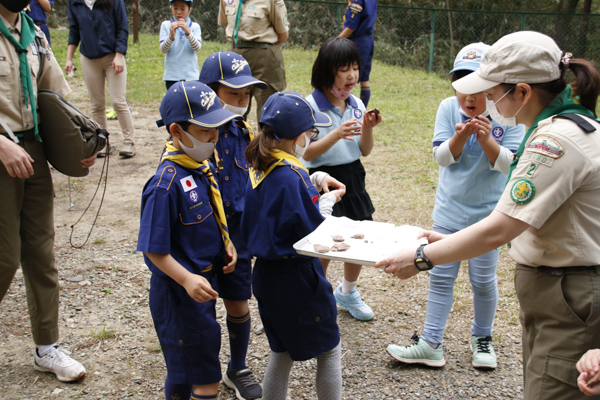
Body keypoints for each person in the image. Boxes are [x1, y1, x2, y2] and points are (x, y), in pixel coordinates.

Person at [376, 31, 600, 400]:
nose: (489, 102)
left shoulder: (555, 141)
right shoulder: (555, 129)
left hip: (568, 295)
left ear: (523, 92)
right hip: (558, 293)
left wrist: (421, 258)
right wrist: (448, 241)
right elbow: (531, 221)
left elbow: (501, 228)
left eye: (494, 94)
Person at [386, 43, 525, 370]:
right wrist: (461, 137)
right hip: (448, 215)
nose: (469, 96)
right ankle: (432, 342)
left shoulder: (509, 116)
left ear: (493, 88)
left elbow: (509, 165)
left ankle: (482, 339)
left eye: (478, 87)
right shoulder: (448, 108)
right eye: (462, 85)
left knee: (483, 281)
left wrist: (488, 139)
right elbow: (441, 157)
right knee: (441, 276)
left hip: (487, 219)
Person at [0, 1, 94, 382]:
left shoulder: (33, 33)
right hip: (2, 149)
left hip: (31, 151)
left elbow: (53, 98)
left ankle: (47, 347)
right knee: (4, 257)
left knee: (40, 253)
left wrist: (77, 145)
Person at [137, 81, 240, 400]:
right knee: (206, 379)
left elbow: (209, 216)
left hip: (199, 286)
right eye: (205, 131)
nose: (214, 138)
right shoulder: (164, 186)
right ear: (176, 131)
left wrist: (227, 242)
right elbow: (154, 250)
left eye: (217, 130)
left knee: (183, 371)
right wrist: (186, 279)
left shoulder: (198, 168)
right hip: (178, 295)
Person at [241, 91, 346, 400]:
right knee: (329, 349)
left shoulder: (260, 167)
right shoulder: (291, 177)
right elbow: (315, 231)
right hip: (298, 277)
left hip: (266, 278)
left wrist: (310, 180)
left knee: (282, 351)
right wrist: (326, 202)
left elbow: (278, 202)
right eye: (311, 133)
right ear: (300, 137)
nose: (311, 138)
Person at [198, 50, 267, 400]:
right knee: (202, 304)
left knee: (239, 301)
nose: (241, 102)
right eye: (232, 94)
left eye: (246, 95)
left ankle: (236, 367)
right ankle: (204, 367)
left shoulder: (244, 130)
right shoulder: (197, 135)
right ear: (209, 92)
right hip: (202, 233)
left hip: (238, 236)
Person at [303, 37, 382, 322]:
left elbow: (365, 150)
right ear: (327, 71)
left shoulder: (357, 103)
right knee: (322, 243)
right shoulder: (310, 106)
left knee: (357, 238)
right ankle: (315, 297)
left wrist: (368, 128)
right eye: (344, 69)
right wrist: (335, 134)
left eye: (355, 68)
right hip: (322, 178)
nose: (352, 76)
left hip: (353, 176)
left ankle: (346, 292)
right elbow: (306, 153)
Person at [66, 0, 136, 158]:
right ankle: (103, 143)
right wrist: (69, 58)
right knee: (96, 103)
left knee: (117, 100)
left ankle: (129, 142)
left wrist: (119, 54)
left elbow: (122, 27)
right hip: (89, 58)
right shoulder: (75, 2)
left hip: (113, 57)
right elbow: (74, 30)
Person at [217, 0, 288, 122]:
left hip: (264, 57)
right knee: (233, 111)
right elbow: (225, 22)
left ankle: (265, 141)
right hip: (236, 55)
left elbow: (283, 33)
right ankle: (236, 140)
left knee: (268, 112)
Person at [338, 0, 376, 108]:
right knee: (364, 79)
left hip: (357, 41)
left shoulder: (357, 0)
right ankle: (362, 112)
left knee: (349, 77)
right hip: (368, 40)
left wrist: (336, 40)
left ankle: (351, 112)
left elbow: (351, 26)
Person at [160, 0, 202, 91]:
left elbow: (197, 48)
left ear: (190, 9)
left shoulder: (195, 27)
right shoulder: (166, 25)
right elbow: (163, 49)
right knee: (175, 104)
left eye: (183, 8)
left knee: (190, 104)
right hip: (172, 76)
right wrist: (171, 36)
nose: (178, 12)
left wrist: (188, 32)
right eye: (175, 8)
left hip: (191, 76)